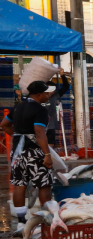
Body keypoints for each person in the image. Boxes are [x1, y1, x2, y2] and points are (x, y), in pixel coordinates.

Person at [1, 81, 56, 228]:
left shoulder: (18, 107)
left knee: (20, 185)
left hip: (18, 152)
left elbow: (4, 124)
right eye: (46, 93)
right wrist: (47, 154)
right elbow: (39, 131)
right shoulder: (40, 110)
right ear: (39, 94)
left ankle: (21, 223)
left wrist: (19, 135)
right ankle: (47, 221)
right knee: (44, 185)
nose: (48, 95)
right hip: (35, 152)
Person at [43, 67, 69, 148]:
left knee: (50, 143)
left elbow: (66, 87)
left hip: (51, 125)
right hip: (39, 125)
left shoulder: (55, 96)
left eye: (53, 89)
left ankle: (49, 156)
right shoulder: (39, 97)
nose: (51, 91)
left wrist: (62, 75)